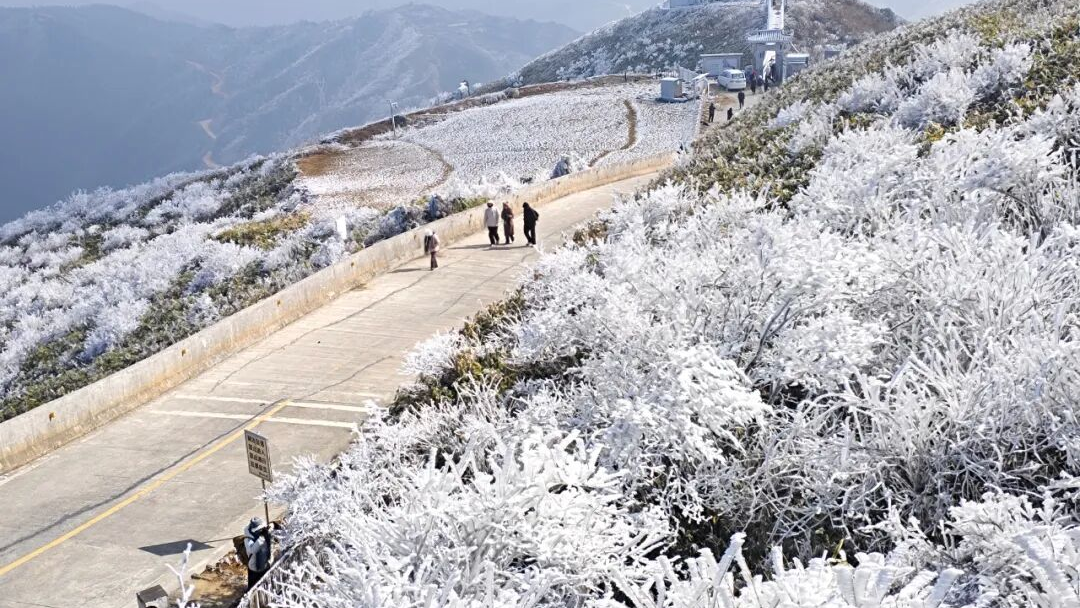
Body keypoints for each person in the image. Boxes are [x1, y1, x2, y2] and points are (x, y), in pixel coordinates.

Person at [243, 517, 273, 591]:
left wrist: (270, 529)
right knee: (252, 587)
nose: (262, 530)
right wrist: (261, 538)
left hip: (265, 563)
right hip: (254, 567)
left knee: (266, 584)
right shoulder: (248, 538)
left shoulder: (263, 533)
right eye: (260, 529)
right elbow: (252, 550)